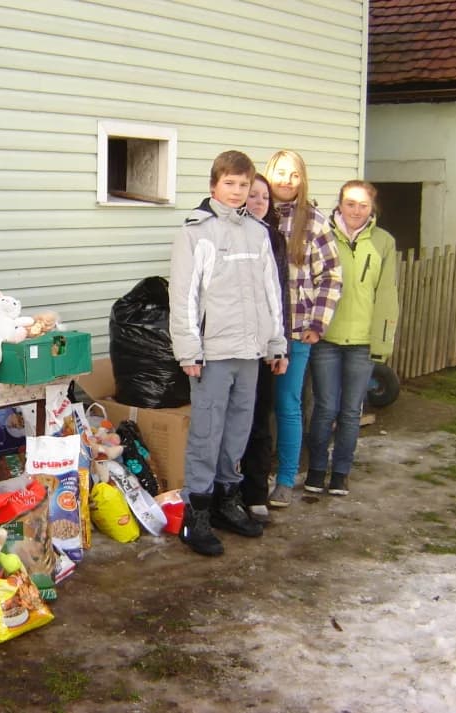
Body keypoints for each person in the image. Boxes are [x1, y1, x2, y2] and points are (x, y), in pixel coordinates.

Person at [169, 150, 288, 557]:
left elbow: (271, 291)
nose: (237, 192)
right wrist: (189, 349)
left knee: (238, 429)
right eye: (230, 184)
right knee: (207, 432)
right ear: (213, 186)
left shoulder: (257, 232)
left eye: (243, 185)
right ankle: (196, 513)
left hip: (250, 351)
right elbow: (183, 297)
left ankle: (226, 501)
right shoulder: (196, 233)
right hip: (213, 353)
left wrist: (276, 342)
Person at [307, 181, 399, 495]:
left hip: (361, 342)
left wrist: (381, 342)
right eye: (350, 203)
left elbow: (387, 295)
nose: (356, 210)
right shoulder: (323, 234)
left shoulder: (384, 243)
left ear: (372, 208)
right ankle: (317, 470)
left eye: (363, 204)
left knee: (350, 410)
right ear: (340, 204)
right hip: (326, 337)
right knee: (324, 407)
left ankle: (341, 472)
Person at [264, 150, 343, 508]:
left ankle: (284, 478)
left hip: (295, 330)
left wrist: (317, 324)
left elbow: (330, 276)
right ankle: (252, 473)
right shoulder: (255, 214)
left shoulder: (313, 221)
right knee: (254, 407)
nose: (286, 181)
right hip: (256, 333)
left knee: (287, 403)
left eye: (294, 175)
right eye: (280, 173)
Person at [239, 174, 290, 523]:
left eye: (264, 198)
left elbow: (279, 296)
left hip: (262, 346)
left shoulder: (274, 239)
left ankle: (256, 492)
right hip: (229, 344)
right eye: (252, 195)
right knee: (232, 423)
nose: (258, 202)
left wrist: (279, 345)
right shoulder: (221, 232)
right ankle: (225, 491)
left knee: (259, 420)